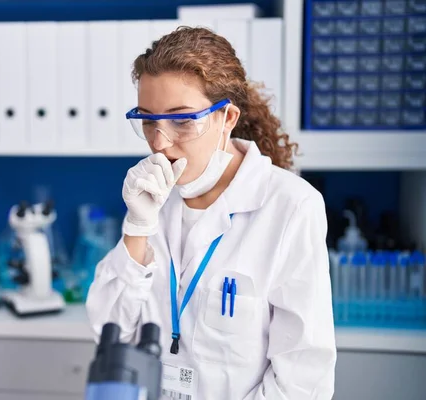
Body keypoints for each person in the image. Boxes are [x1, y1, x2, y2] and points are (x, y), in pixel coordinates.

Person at [86, 26, 336, 400]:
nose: (160, 142)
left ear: (227, 117)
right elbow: (109, 332)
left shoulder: (291, 206)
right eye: (149, 120)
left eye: (183, 120)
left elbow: (302, 376)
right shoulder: (153, 197)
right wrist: (137, 228)